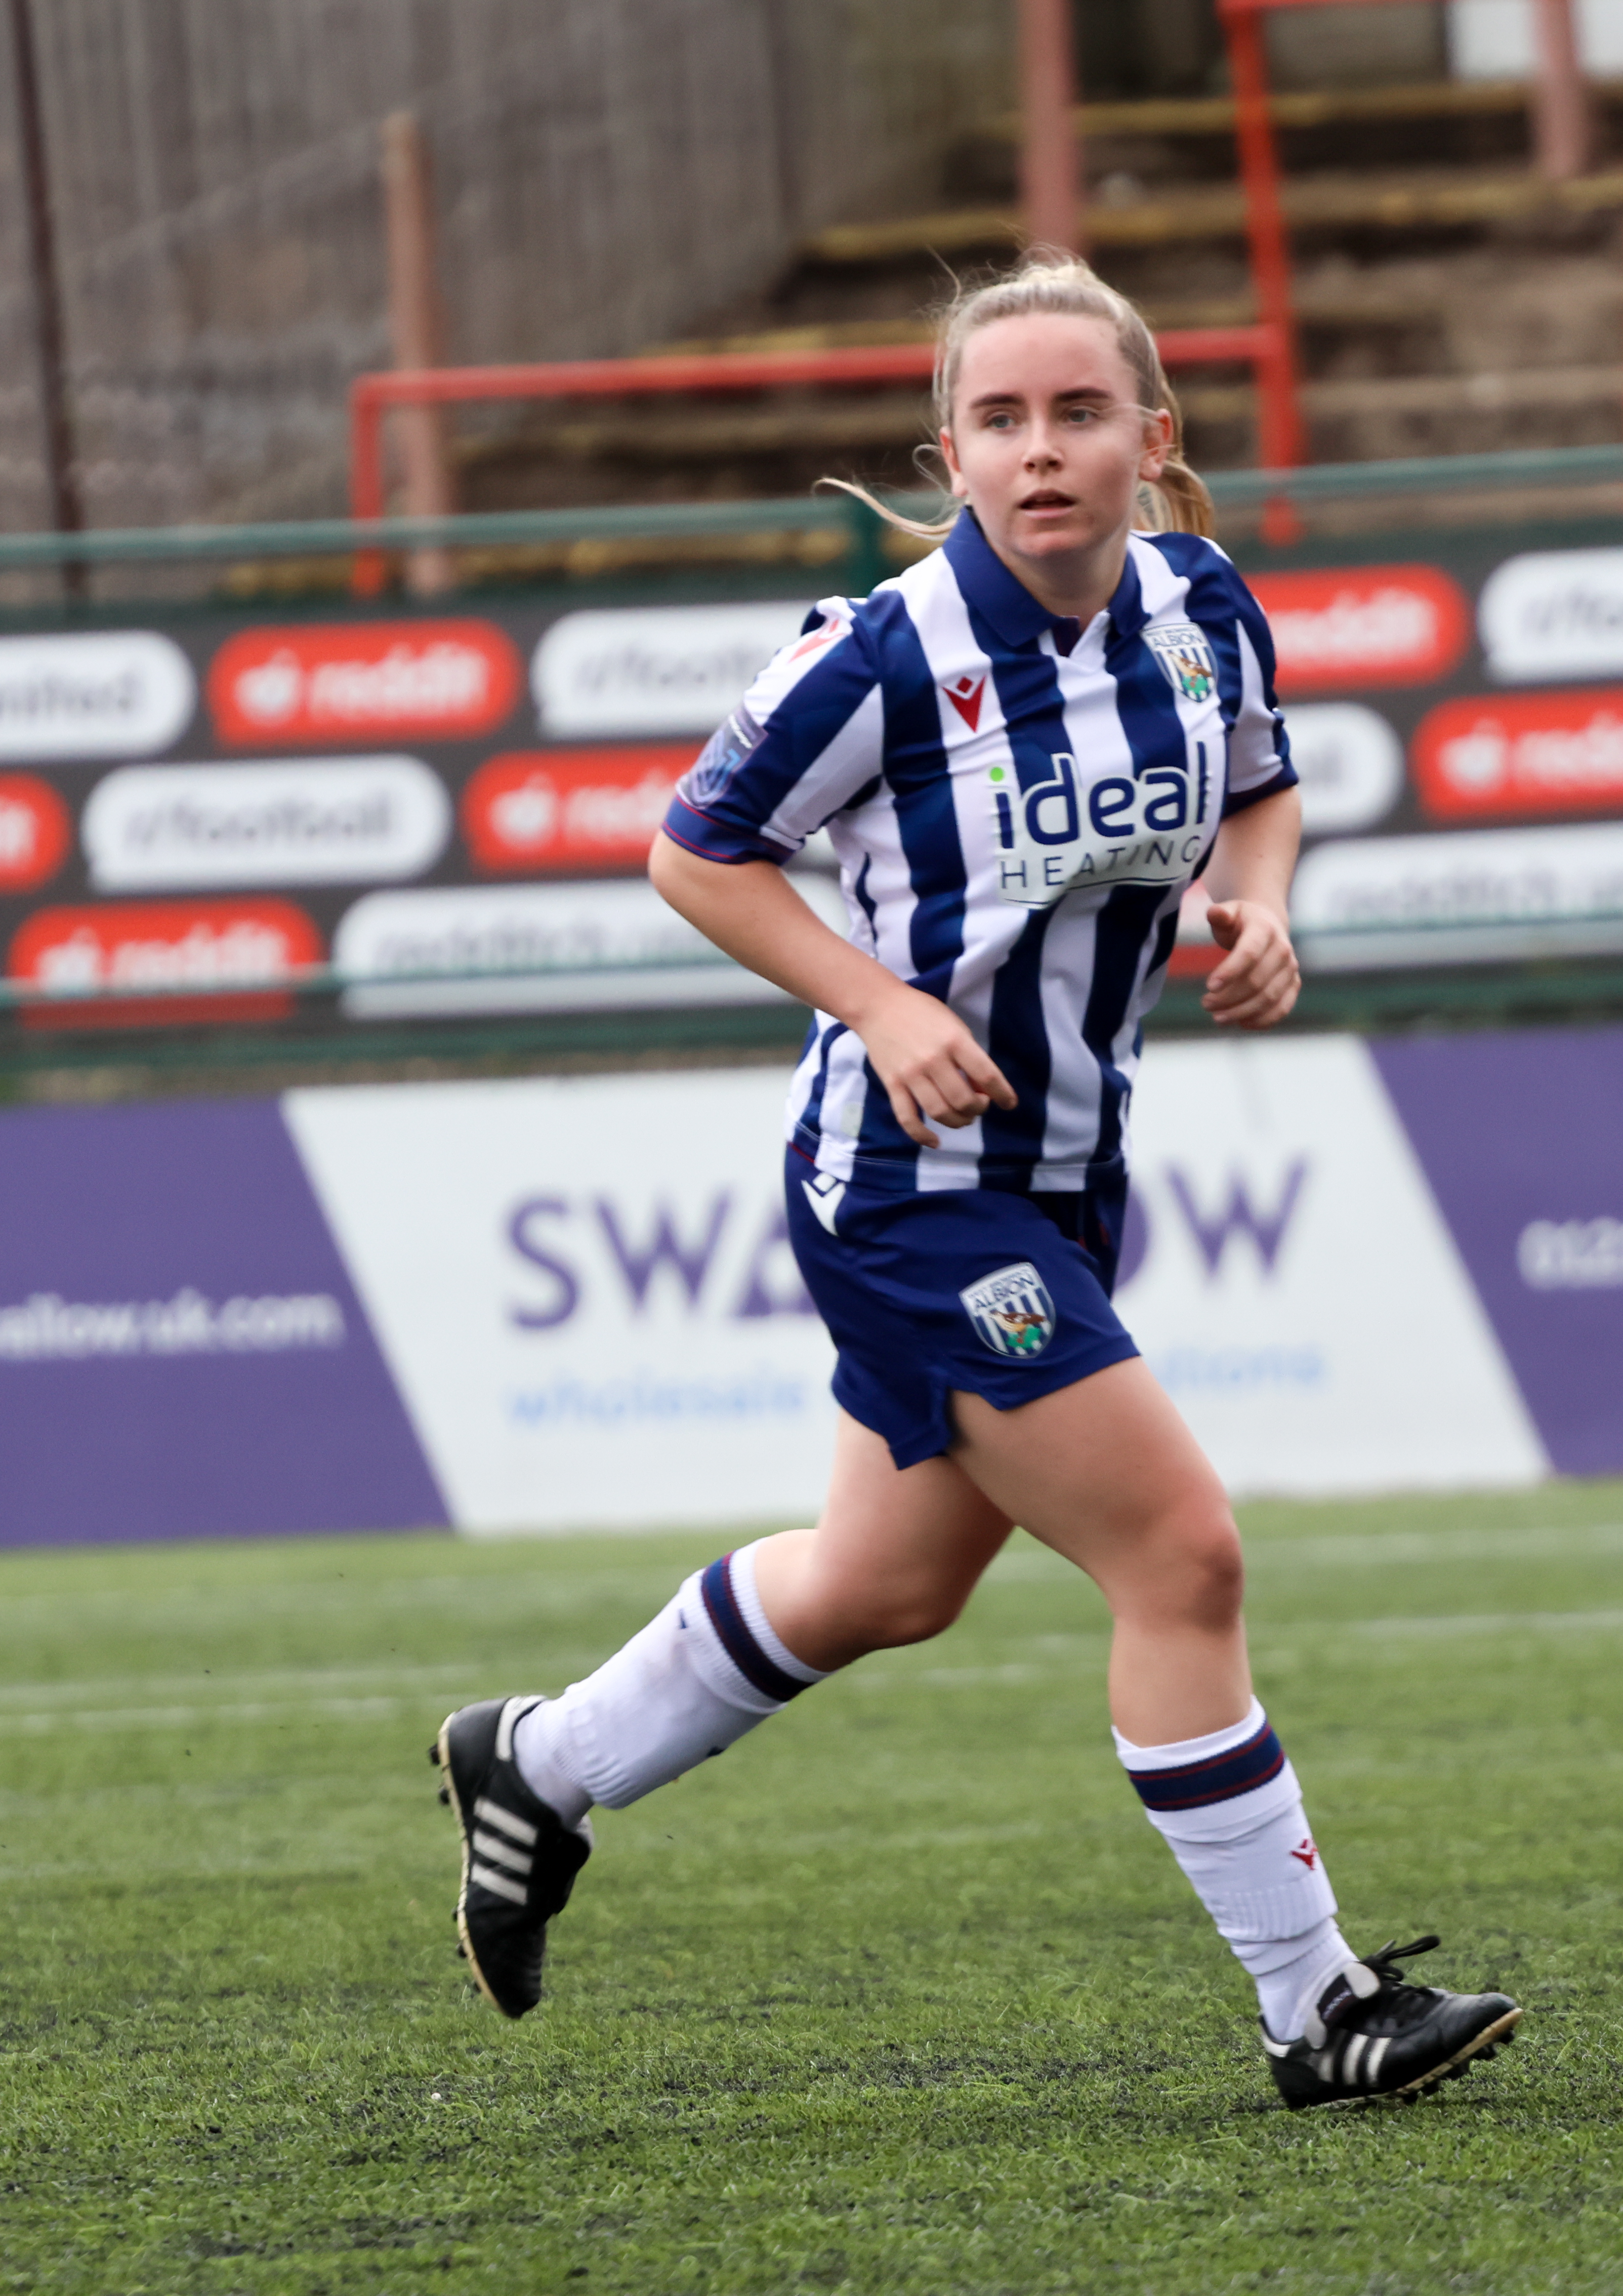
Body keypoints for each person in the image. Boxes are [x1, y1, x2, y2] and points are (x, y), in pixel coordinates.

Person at [433, 253, 1522, 2109]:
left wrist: (1262, 906)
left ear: (1150, 441)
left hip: (1068, 1172)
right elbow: (698, 856)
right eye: (1000, 421)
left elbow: (1262, 785)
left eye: (1078, 413)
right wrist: (875, 1002)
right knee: (1183, 1556)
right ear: (948, 450)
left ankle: (539, 1761)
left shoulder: (1197, 605)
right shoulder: (878, 653)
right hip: (912, 1187)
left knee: (886, 1581)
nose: (1039, 451)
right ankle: (1316, 2007)